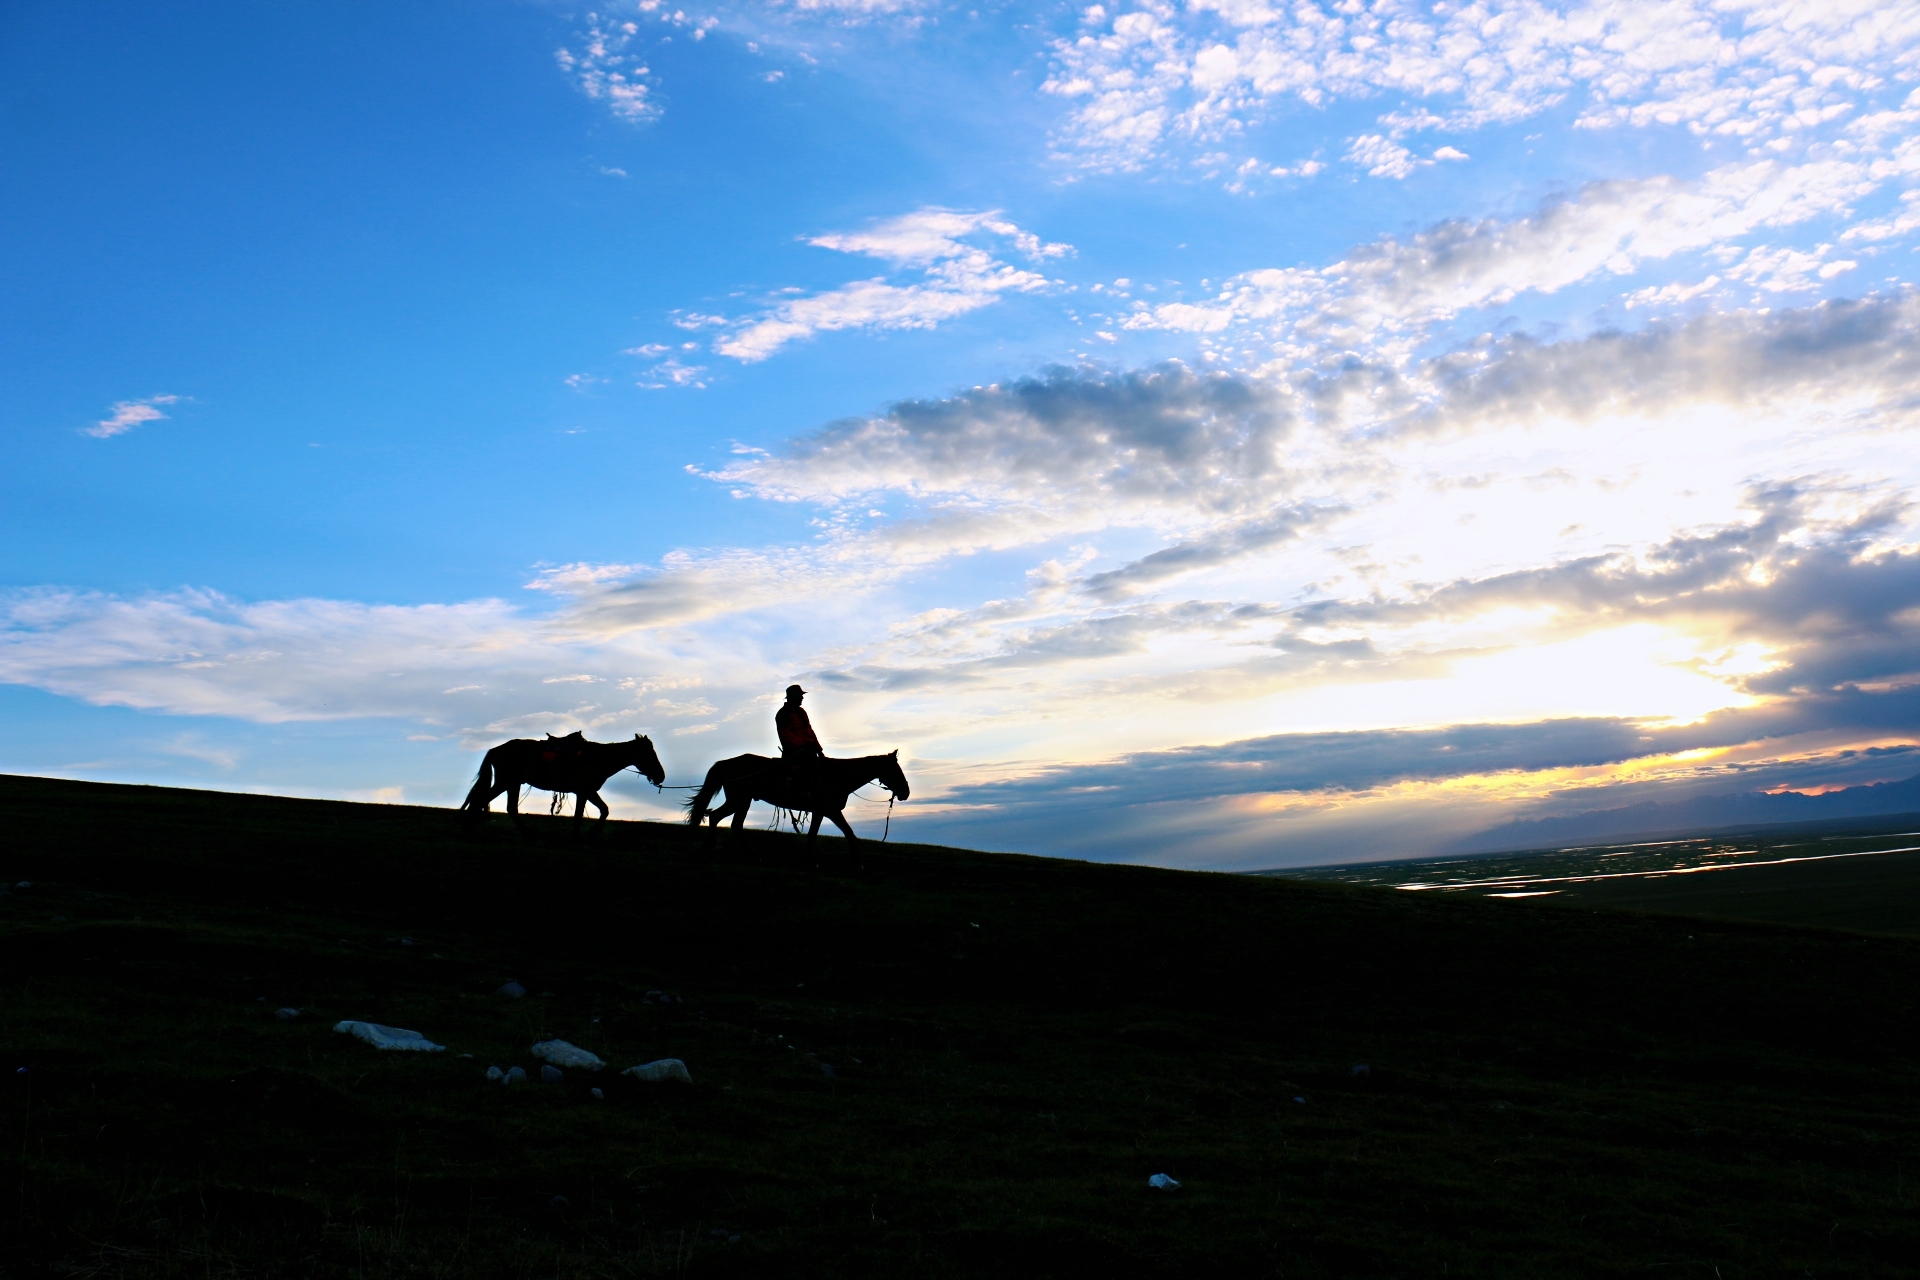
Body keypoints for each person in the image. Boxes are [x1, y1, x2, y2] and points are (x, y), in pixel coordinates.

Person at [775, 684, 825, 803]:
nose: (802, 698)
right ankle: (801, 794)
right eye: (800, 696)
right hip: (793, 751)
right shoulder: (783, 713)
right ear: (793, 698)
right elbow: (785, 734)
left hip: (807, 749)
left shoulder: (802, 712)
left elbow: (809, 730)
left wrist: (819, 750)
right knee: (805, 768)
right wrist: (802, 747)